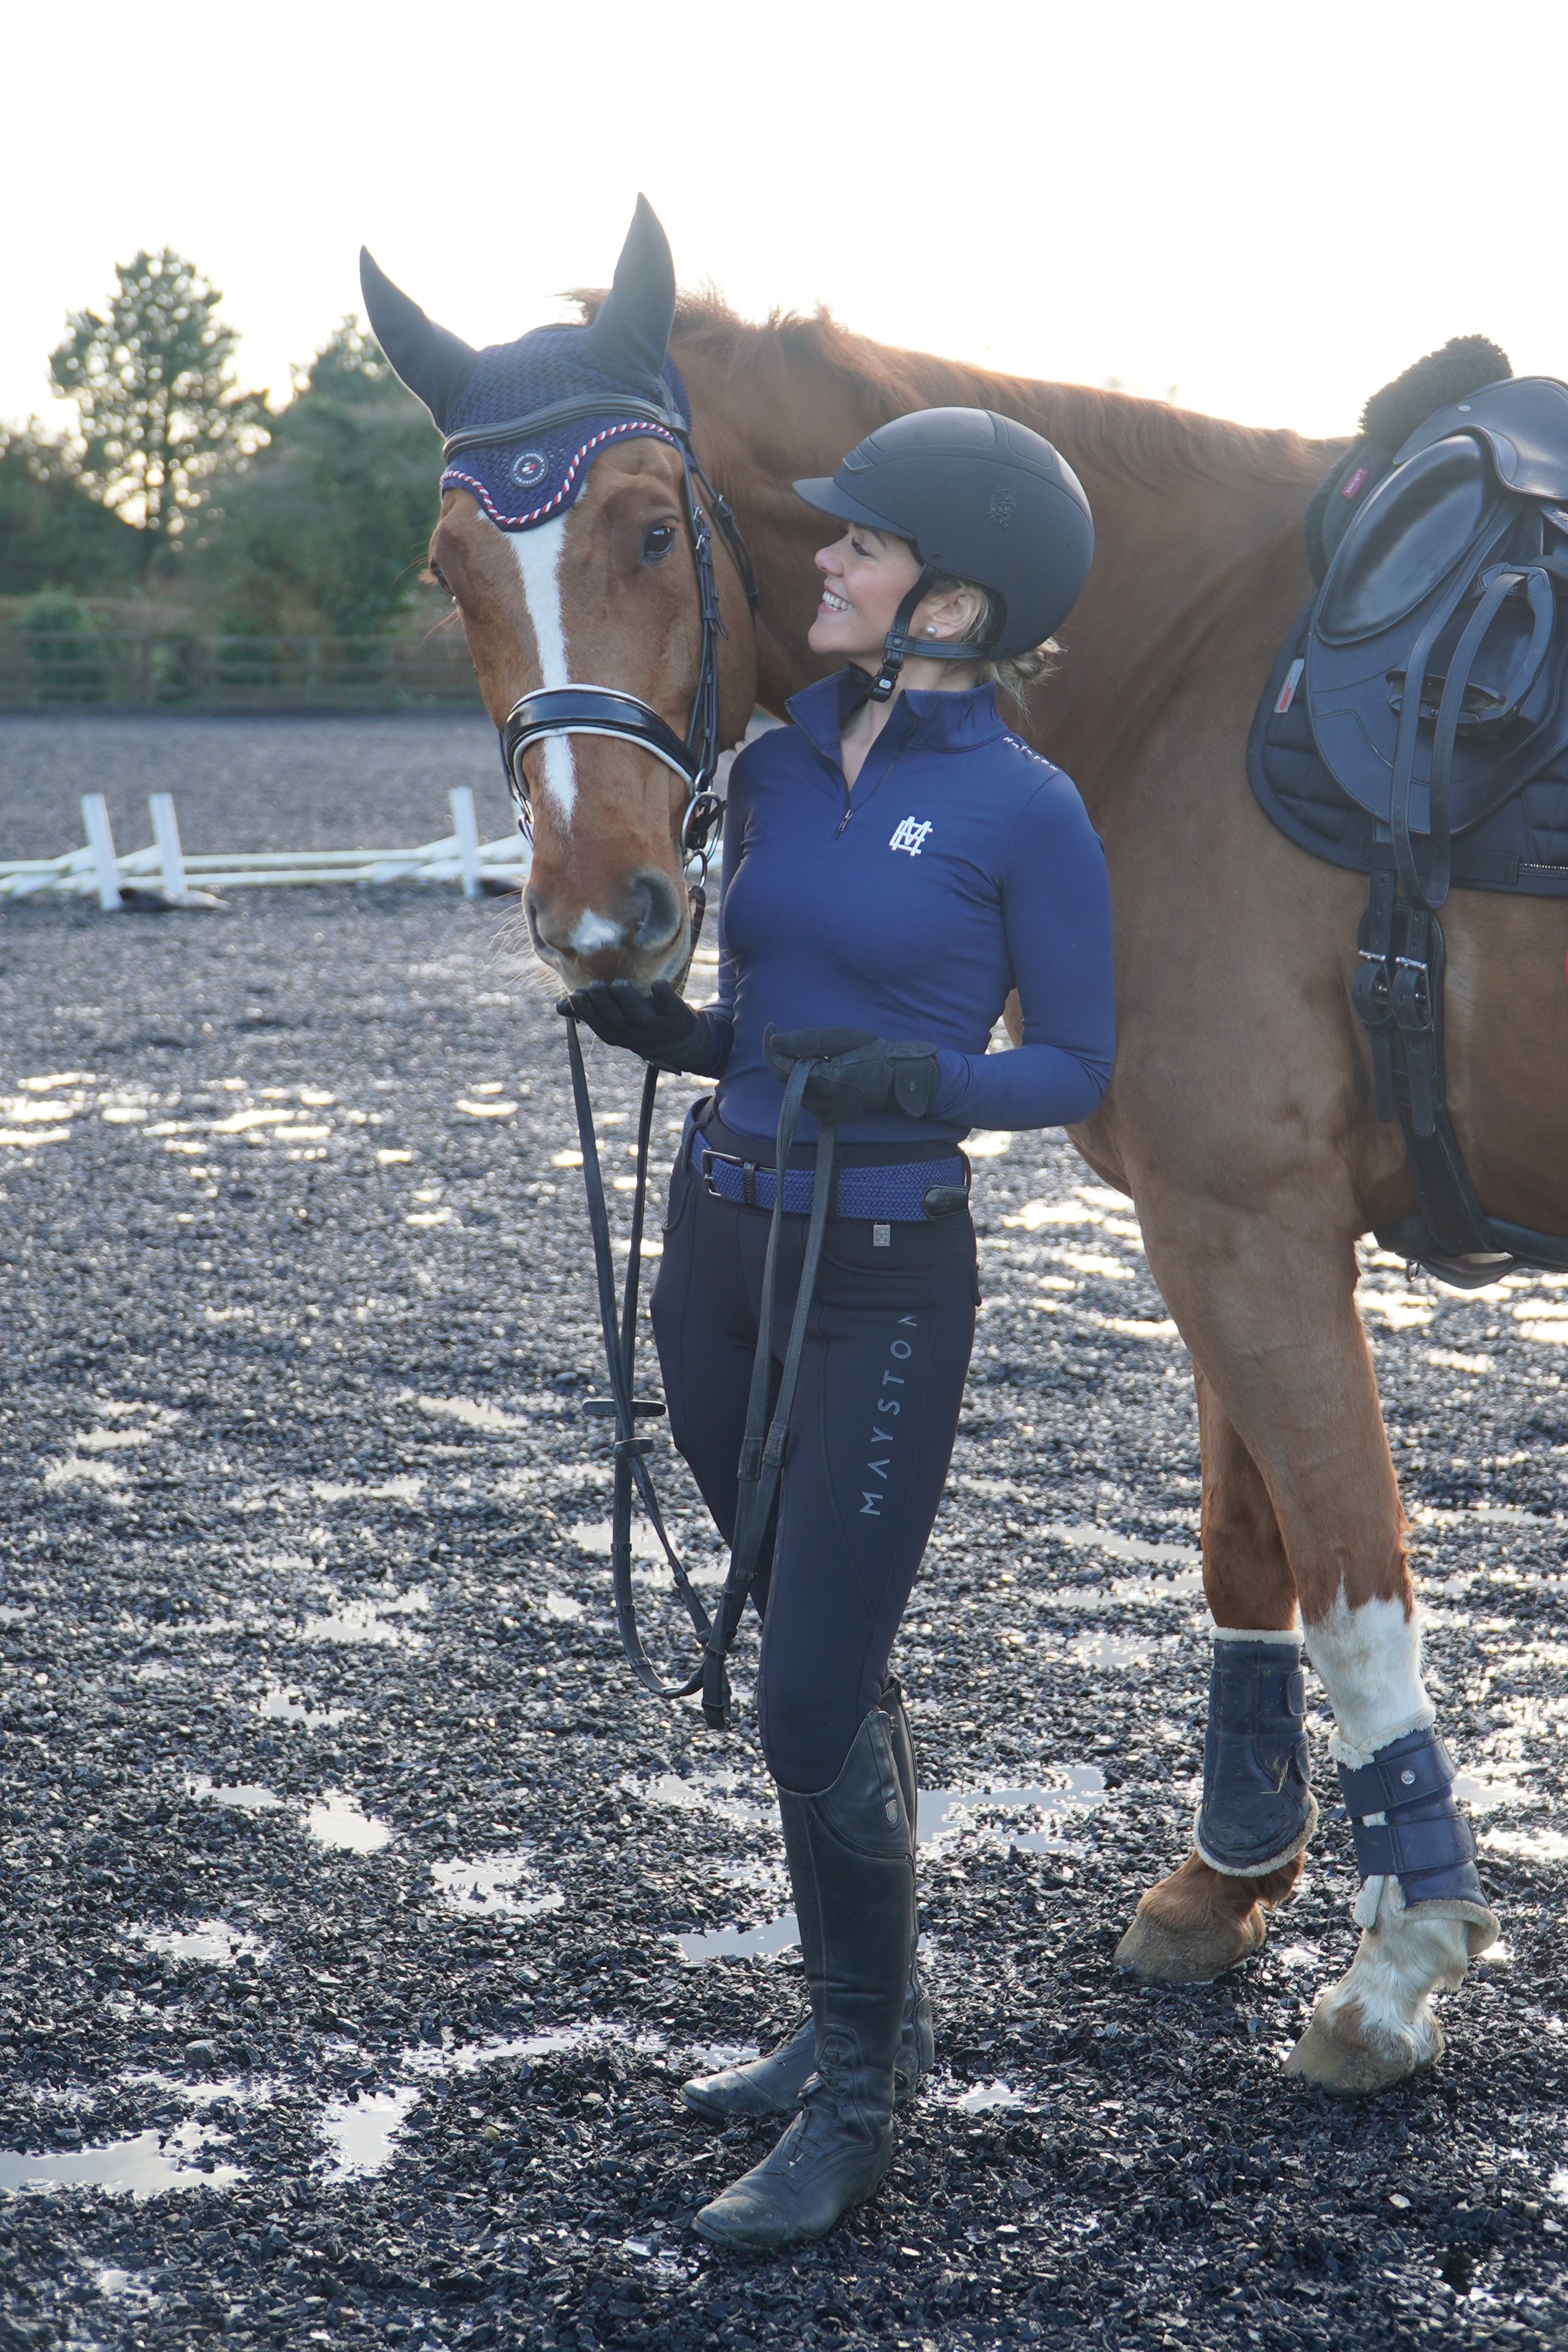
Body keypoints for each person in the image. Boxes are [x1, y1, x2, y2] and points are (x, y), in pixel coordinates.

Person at [564, 408, 1115, 2250]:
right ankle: (845, 2018)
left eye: (860, 549)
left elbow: (1079, 1062)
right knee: (811, 1637)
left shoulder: (1029, 811)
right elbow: (767, 998)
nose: (822, 562)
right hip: (718, 1248)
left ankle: (865, 2111)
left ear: (953, 600)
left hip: (885, 1273)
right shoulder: (782, 765)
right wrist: (690, 1041)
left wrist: (929, 1075)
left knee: (805, 1688)